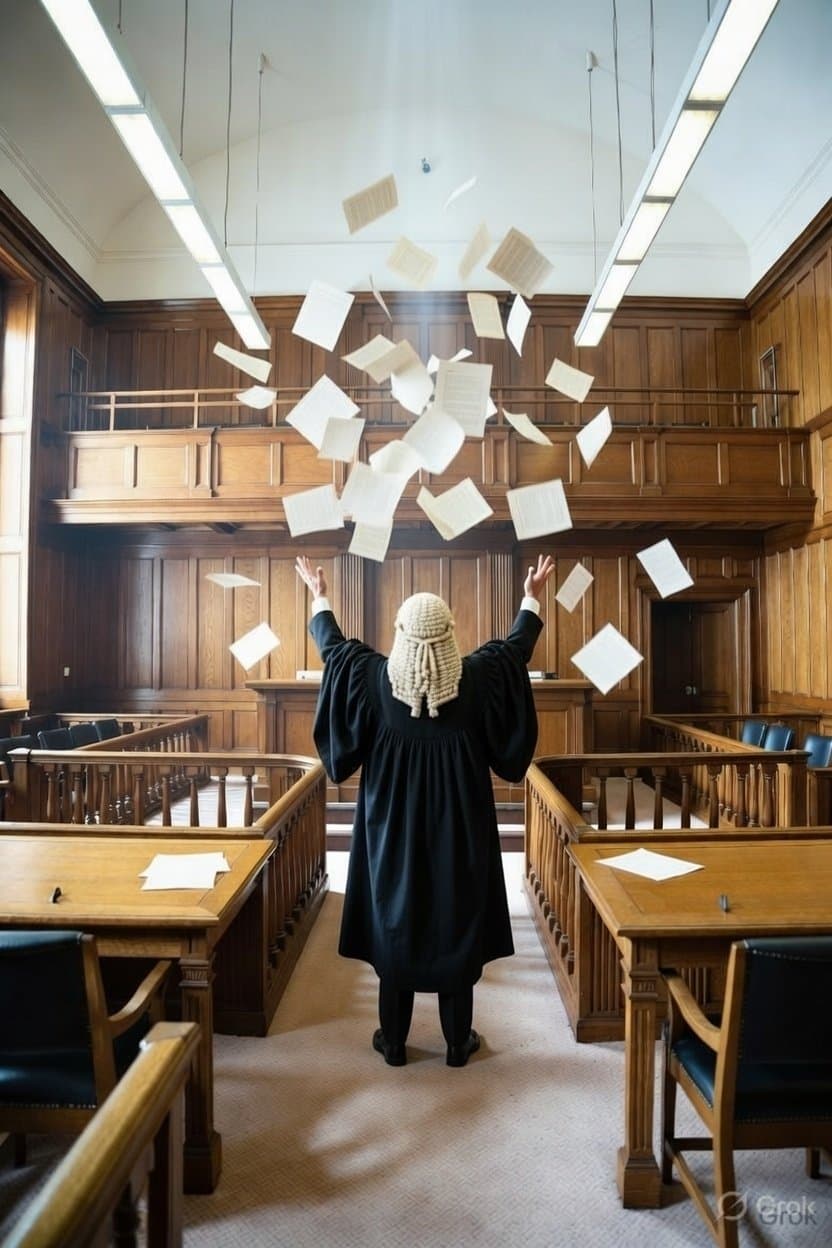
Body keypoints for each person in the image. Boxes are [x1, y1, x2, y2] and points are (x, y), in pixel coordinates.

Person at [295, 553, 555, 1068]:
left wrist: (318, 595)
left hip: (391, 830)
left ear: (400, 633)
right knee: (455, 917)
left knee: (396, 915)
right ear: (450, 633)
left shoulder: (369, 679)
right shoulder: (480, 679)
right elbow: (516, 648)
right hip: (461, 830)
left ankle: (393, 1042)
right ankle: (458, 1043)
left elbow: (332, 648)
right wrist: (531, 595)